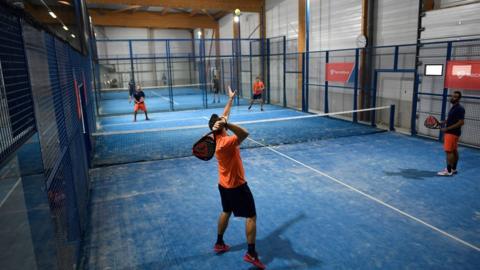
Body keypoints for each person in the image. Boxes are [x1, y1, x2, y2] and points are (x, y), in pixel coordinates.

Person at [209, 86, 266, 269]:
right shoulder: (225, 142)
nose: (224, 120)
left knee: (226, 211)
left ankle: (219, 243)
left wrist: (230, 100)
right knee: (251, 216)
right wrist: (227, 125)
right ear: (220, 127)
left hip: (223, 185)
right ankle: (251, 253)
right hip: (237, 186)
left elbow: (225, 115)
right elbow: (244, 133)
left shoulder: (216, 138)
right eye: (222, 122)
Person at [438, 90, 465, 176]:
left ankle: (448, 171)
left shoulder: (459, 109)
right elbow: (452, 119)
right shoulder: (453, 107)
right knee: (454, 151)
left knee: (448, 152)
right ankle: (453, 169)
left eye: (455, 97)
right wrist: (443, 122)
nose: (453, 98)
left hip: (452, 133)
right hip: (453, 133)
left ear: (459, 99)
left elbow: (461, 122)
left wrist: (447, 128)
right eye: (452, 96)